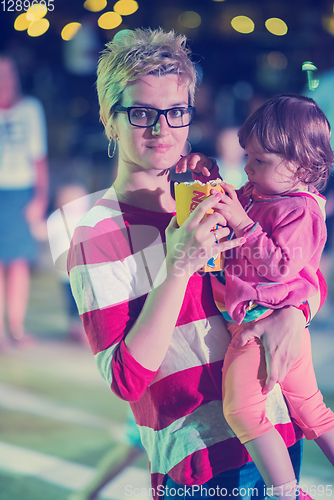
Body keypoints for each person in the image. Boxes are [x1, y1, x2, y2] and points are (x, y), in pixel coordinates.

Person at [67, 29, 324, 499]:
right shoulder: (97, 232)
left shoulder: (209, 188)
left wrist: (295, 313)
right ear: (110, 119)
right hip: (201, 466)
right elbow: (126, 377)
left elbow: (297, 266)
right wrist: (178, 265)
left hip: (277, 434)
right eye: (141, 113)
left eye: (175, 112)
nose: (161, 129)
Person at [185, 95, 334, 500]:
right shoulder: (259, 191)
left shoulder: (301, 210)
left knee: (243, 411)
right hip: (276, 321)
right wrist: (211, 177)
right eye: (246, 157)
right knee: (311, 410)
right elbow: (237, 204)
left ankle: (286, 492)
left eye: (260, 160)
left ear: (301, 167)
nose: (248, 168)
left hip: (261, 322)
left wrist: (241, 222)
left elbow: (281, 266)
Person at [0, 55, 48, 348]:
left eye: (8, 72)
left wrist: (40, 197)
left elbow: (38, 156)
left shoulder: (30, 109)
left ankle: (16, 326)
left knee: (18, 262)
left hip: (21, 191)